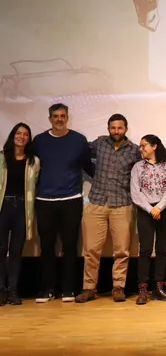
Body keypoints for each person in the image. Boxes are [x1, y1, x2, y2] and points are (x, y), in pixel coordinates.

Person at [75, 114, 141, 303]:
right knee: (91, 250)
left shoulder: (134, 150)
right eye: (113, 128)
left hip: (122, 204)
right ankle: (89, 289)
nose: (116, 131)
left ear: (126, 129)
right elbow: (81, 153)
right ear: (108, 129)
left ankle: (118, 287)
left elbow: (148, 163)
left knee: (121, 251)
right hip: (96, 201)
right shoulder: (99, 144)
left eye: (120, 128)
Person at [33, 103, 93, 303]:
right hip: (44, 201)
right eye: (55, 116)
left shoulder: (79, 140)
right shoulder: (39, 141)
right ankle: (47, 289)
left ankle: (68, 289)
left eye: (62, 116)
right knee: (47, 246)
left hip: (71, 200)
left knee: (70, 246)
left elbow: (89, 166)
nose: (59, 119)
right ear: (50, 119)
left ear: (67, 118)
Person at [130, 135, 166, 305]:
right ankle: (143, 289)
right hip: (146, 210)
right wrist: (150, 208)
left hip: (165, 210)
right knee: (145, 250)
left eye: (144, 145)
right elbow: (135, 192)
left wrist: (159, 207)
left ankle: (158, 288)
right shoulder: (138, 167)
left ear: (154, 146)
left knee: (161, 249)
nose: (141, 149)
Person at [0, 123, 39, 306]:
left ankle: (13, 290)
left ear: (29, 138)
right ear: (12, 135)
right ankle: (1, 289)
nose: (21, 137)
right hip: (3, 208)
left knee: (16, 251)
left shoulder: (33, 162)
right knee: (1, 250)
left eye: (25, 134)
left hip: (22, 209)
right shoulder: (2, 158)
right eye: (18, 133)